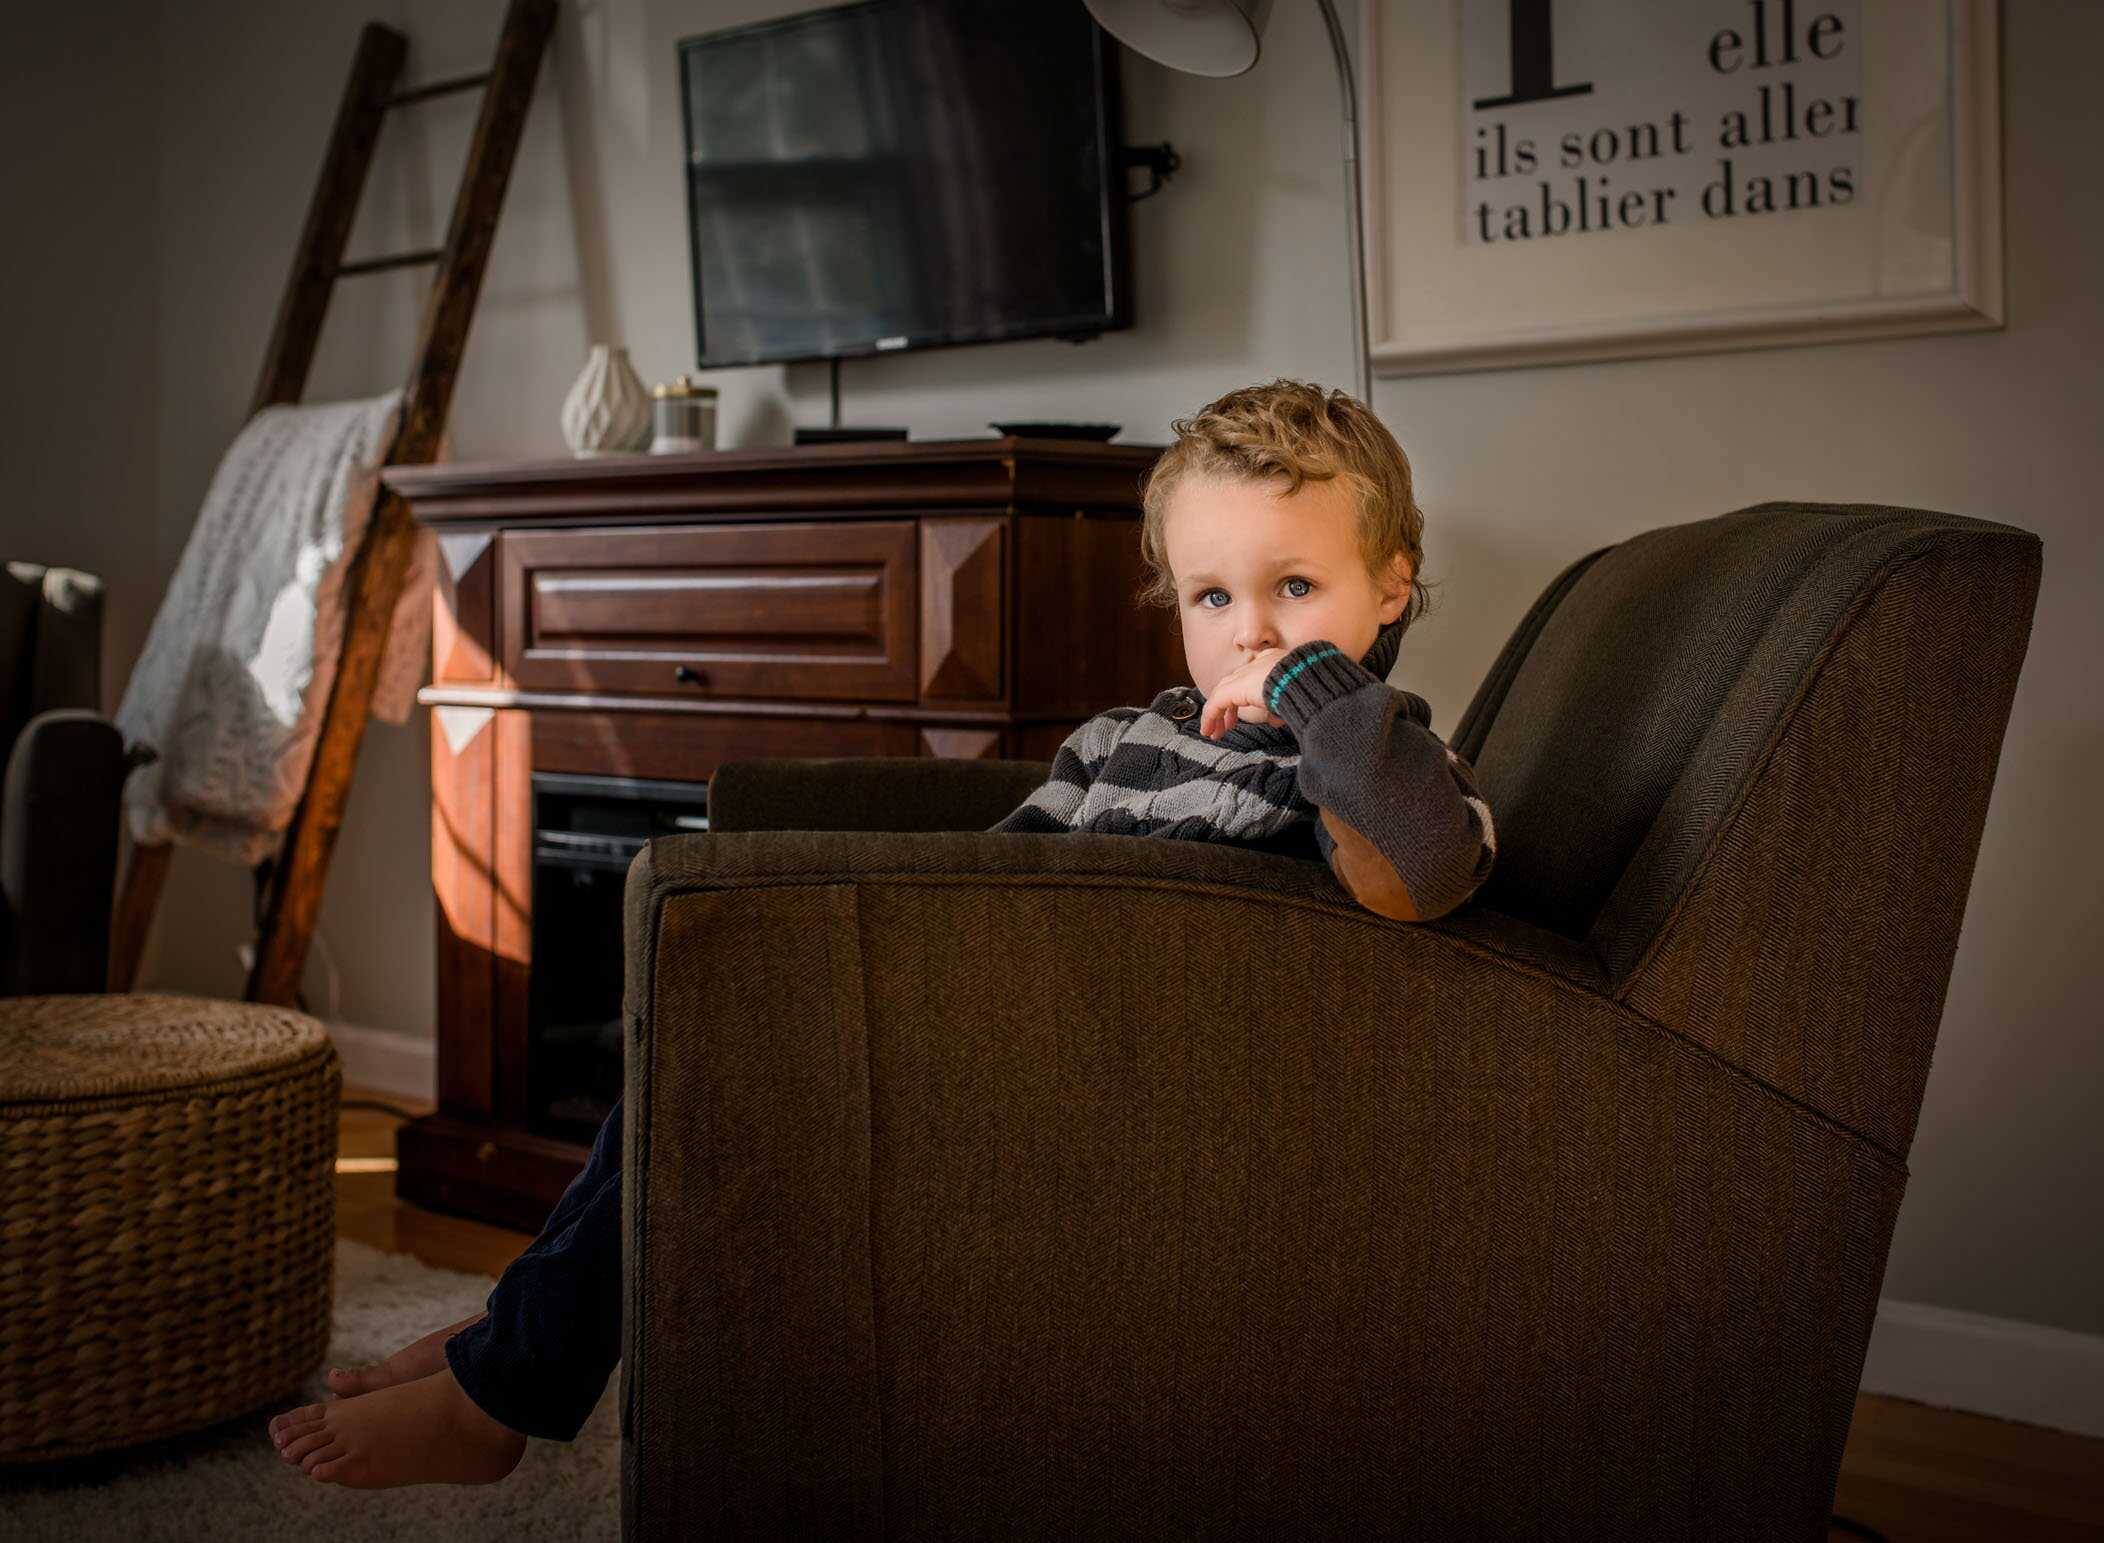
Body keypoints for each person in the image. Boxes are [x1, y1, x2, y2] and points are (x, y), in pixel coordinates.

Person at [267, 377, 1496, 1488]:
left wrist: (1322, 701)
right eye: (1212, 596)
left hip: (1135, 1095)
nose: (1254, 632)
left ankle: (505, 1376)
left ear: (1390, 586)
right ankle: (514, 1341)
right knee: (705, 1033)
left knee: (733, 1050)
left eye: (1297, 588)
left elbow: (1422, 877)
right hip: (1010, 1031)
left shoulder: (1387, 768)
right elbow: (981, 884)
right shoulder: (1123, 738)